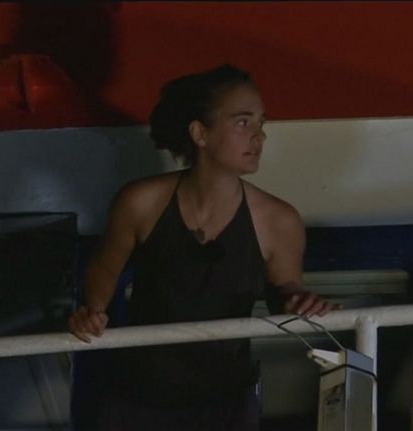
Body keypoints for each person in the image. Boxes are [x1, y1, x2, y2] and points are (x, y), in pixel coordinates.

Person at [68, 64, 339, 430]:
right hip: (137, 396)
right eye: (243, 122)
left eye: (261, 123)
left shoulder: (279, 221)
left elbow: (286, 293)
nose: (259, 137)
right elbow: (103, 270)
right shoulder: (141, 202)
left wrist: (300, 301)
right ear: (200, 133)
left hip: (226, 401)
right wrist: (93, 310)